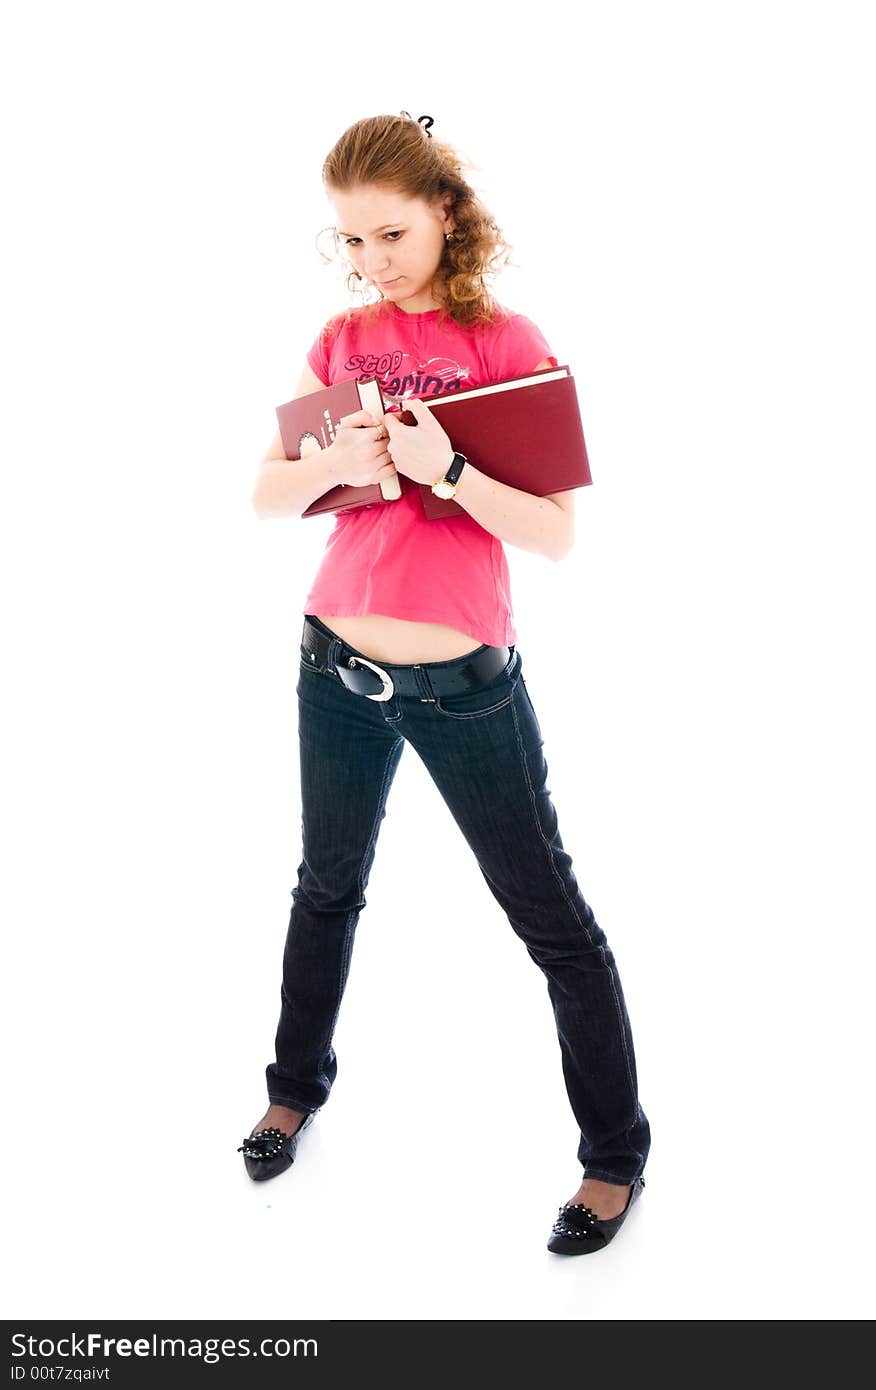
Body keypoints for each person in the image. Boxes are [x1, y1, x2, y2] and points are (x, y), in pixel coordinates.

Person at [240, 112, 651, 1255]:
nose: (373, 259)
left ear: (447, 215)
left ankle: (614, 1154)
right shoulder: (343, 341)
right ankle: (292, 1090)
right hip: (333, 666)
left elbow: (555, 535)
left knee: (553, 922)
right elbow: (268, 497)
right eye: (353, 239)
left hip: (463, 687)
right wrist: (337, 463)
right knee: (325, 888)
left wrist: (449, 468)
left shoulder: (504, 342)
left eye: (392, 232)